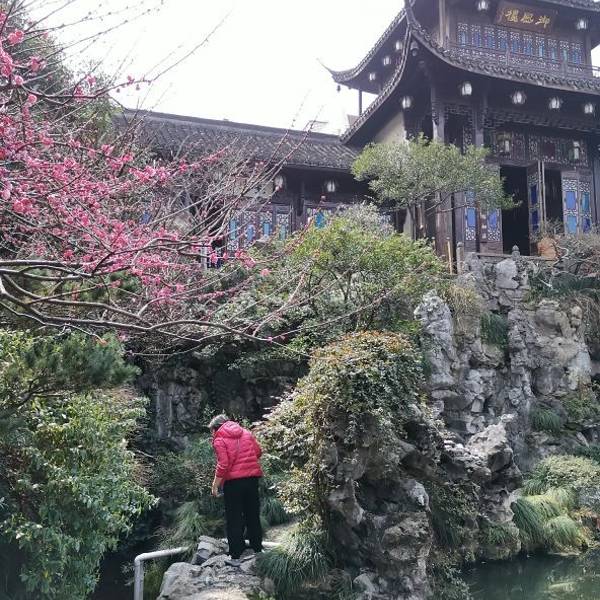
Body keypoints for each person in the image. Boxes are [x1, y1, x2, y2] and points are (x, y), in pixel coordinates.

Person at [209, 414, 263, 566]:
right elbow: (258, 452)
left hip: (233, 483)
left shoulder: (219, 439)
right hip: (252, 480)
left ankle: (235, 555)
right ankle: (257, 549)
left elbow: (223, 464)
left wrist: (215, 485)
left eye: (211, 431)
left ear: (216, 428)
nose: (212, 434)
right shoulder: (246, 433)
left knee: (234, 518)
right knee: (253, 515)